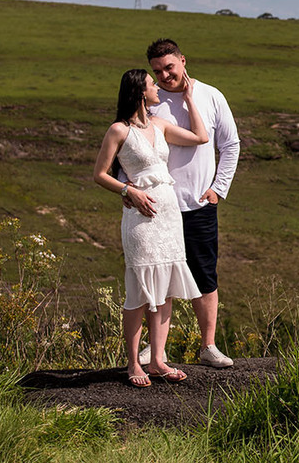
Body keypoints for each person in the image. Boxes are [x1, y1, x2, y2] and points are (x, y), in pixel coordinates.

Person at [93, 68, 209, 388]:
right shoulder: (118, 130)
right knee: (140, 289)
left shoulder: (159, 124)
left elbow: (201, 137)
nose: (157, 87)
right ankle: (133, 362)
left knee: (166, 287)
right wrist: (127, 190)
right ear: (139, 91)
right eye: (151, 83)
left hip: (168, 213)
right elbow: (100, 174)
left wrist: (189, 99)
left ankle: (158, 359)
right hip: (140, 217)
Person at [135, 38, 241, 369]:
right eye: (158, 71)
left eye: (169, 67)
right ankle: (156, 351)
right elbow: (131, 143)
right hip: (158, 205)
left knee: (205, 275)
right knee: (159, 277)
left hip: (199, 205)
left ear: (183, 60)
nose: (165, 75)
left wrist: (217, 190)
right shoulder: (149, 102)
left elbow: (231, 144)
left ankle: (208, 346)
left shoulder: (211, 95)